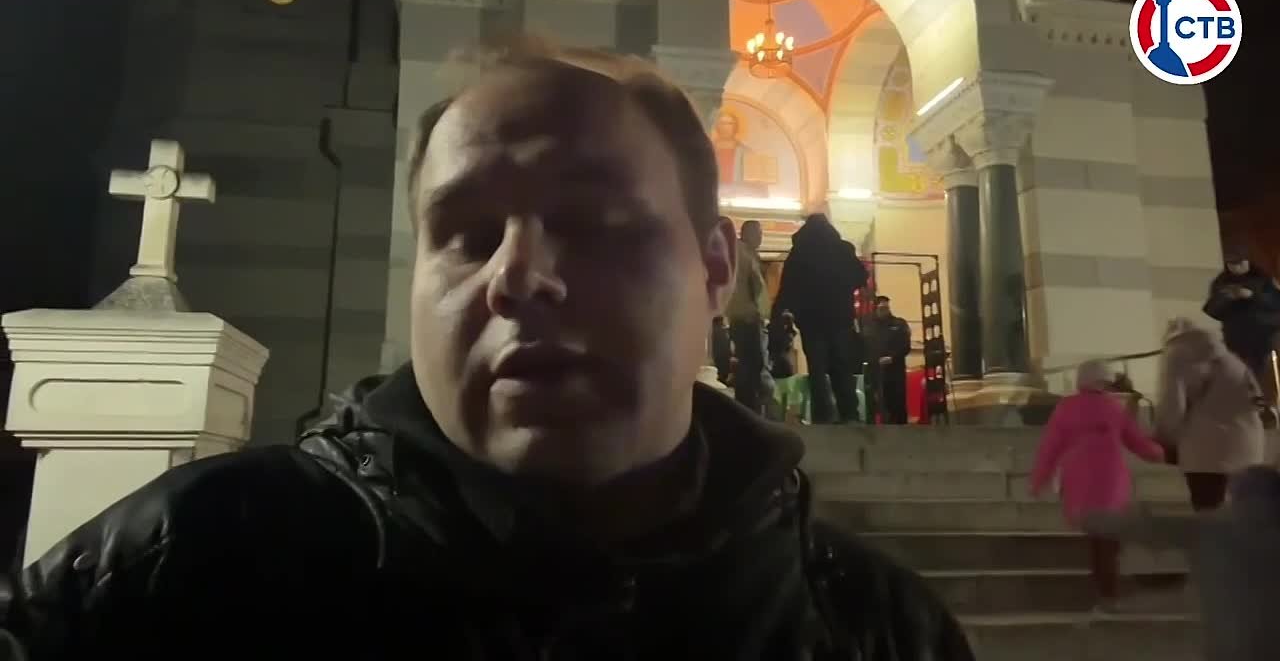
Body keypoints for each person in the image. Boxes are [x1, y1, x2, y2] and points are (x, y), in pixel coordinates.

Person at [0, 40, 973, 659]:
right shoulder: (181, 573)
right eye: (465, 234)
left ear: (716, 268)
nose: (516, 277)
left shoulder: (880, 629)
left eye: (591, 223)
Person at [1083, 464, 1280, 660]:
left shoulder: (1208, 528)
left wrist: (1092, 517)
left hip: (1227, 648)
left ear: (1236, 496)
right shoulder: (1210, 527)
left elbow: (1145, 528)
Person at [1028, 359, 1165, 611]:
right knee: (1108, 542)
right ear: (1104, 381)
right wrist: (1160, 453)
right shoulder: (1113, 408)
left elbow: (1050, 448)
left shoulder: (1066, 408)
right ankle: (1108, 594)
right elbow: (1138, 443)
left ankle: (1103, 593)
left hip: (1079, 486)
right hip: (1111, 484)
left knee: (1095, 540)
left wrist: (1039, 480)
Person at [1157, 318, 1265, 511]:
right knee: (1241, 516)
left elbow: (1172, 405)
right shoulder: (1231, 359)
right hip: (1248, 449)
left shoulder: (1178, 354)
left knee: (1208, 514)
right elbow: (1255, 399)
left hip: (1206, 453)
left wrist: (1165, 438)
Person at [774, 214, 867, 424]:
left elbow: (787, 286)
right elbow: (861, 276)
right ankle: (849, 413)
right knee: (842, 367)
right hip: (840, 319)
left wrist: (780, 311)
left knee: (817, 369)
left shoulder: (800, 252)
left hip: (811, 322)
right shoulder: (842, 249)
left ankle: (823, 415)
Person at [1203, 250, 1280, 386]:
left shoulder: (1262, 278)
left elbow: (1275, 302)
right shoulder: (1221, 282)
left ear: (1247, 261)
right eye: (1232, 264)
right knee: (1238, 378)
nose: (1237, 268)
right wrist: (1225, 298)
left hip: (1264, 338)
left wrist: (1252, 295)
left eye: (1240, 263)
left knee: (1262, 378)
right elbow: (1212, 311)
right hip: (1236, 339)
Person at [724, 219, 770, 414]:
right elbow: (757, 287)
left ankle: (745, 406)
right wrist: (764, 311)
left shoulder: (732, 252)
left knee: (744, 363)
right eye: (758, 233)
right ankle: (749, 408)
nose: (760, 238)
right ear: (747, 233)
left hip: (734, 315)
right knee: (752, 364)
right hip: (747, 316)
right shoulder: (746, 255)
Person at [864, 296, 911, 425]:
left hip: (895, 372)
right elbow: (863, 346)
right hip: (874, 372)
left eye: (886, 308)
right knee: (875, 405)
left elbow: (906, 346)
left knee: (897, 404)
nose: (884, 310)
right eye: (881, 308)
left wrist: (892, 358)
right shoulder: (868, 325)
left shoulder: (899, 324)